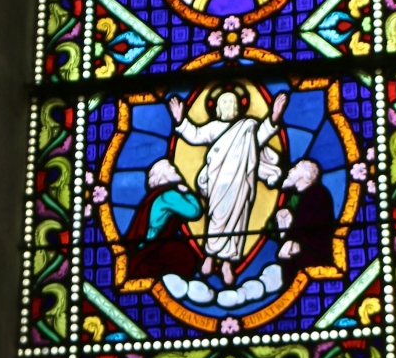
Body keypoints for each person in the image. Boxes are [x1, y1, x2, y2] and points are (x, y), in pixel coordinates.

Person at [169, 88, 287, 286]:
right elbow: (196, 135)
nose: (229, 106)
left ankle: (226, 263)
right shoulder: (214, 127)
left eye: (232, 103)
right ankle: (210, 256)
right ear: (217, 108)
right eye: (224, 102)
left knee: (237, 221)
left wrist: (274, 117)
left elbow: (260, 138)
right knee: (216, 217)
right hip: (218, 182)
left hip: (241, 182)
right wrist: (181, 120)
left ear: (238, 107)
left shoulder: (248, 127)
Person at [124, 159, 203, 281]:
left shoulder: (159, 194)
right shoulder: (169, 195)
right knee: (184, 255)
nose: (175, 171)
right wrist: (187, 192)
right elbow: (194, 211)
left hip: (148, 246)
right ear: (164, 174)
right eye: (172, 169)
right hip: (151, 249)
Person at [275, 158, 337, 284]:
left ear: (305, 174)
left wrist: (291, 241)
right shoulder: (306, 195)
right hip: (306, 249)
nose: (290, 170)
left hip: (315, 253)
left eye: (295, 168)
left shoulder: (317, 193)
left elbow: (305, 229)